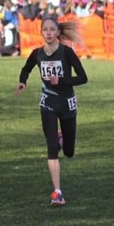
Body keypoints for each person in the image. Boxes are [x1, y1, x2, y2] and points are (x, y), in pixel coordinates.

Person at [15, 17, 88, 206]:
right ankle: (57, 192)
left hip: (67, 103)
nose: (48, 33)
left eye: (52, 29)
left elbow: (83, 78)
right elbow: (26, 68)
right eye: (45, 29)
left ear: (57, 32)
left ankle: (62, 137)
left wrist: (61, 80)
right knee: (52, 148)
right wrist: (22, 82)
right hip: (47, 102)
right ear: (41, 32)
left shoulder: (67, 52)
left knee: (69, 151)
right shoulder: (37, 54)